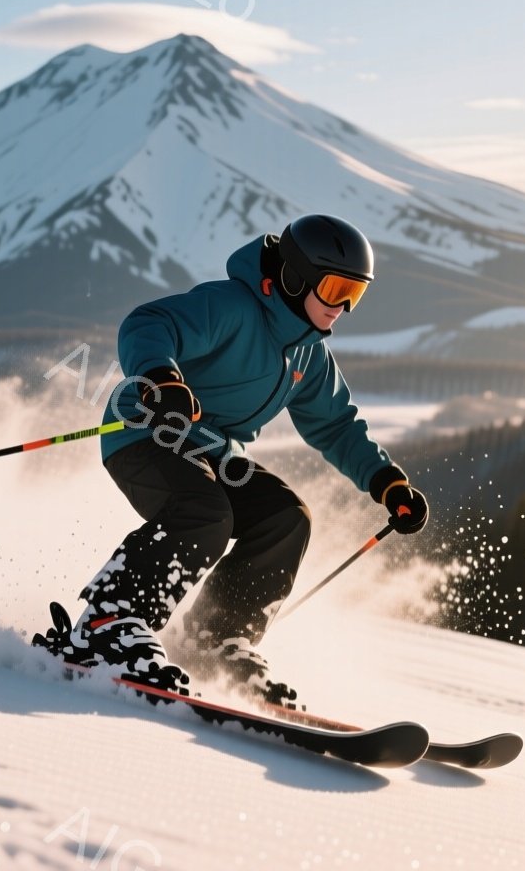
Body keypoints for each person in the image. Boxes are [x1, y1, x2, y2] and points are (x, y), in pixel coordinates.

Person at [60, 214, 429, 707]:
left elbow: (336, 425)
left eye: (354, 295)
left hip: (210, 451)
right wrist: (162, 380)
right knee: (205, 511)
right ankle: (109, 619)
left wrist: (387, 482)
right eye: (336, 289)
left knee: (285, 516)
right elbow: (149, 324)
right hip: (146, 430)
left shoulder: (307, 354)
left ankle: (216, 639)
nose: (342, 307)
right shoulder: (234, 307)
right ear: (297, 278)